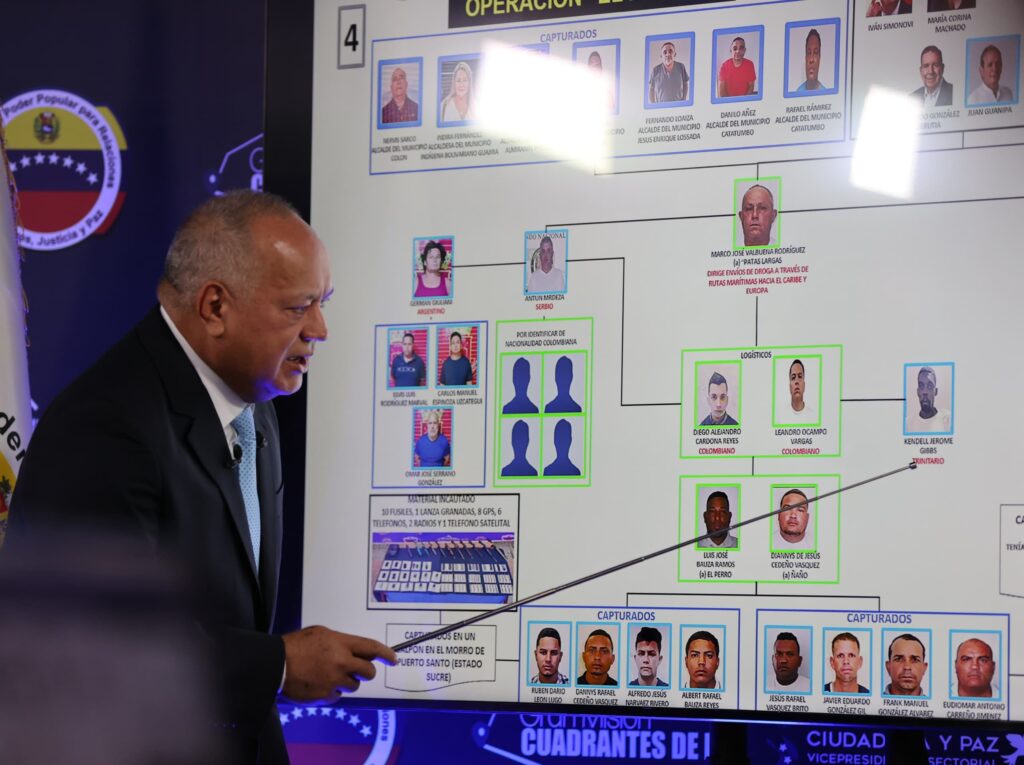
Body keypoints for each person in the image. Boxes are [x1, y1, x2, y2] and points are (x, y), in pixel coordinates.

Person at [10, 191, 396, 763]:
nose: (319, 329)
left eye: (323, 302)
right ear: (215, 307)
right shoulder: (105, 424)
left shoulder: (252, 398)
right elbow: (99, 647)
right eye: (298, 307)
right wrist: (280, 665)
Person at [906, 366, 951, 433]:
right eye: (921, 386)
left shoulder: (948, 419)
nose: (925, 392)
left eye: (929, 386)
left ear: (936, 391)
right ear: (918, 392)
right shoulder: (908, 423)